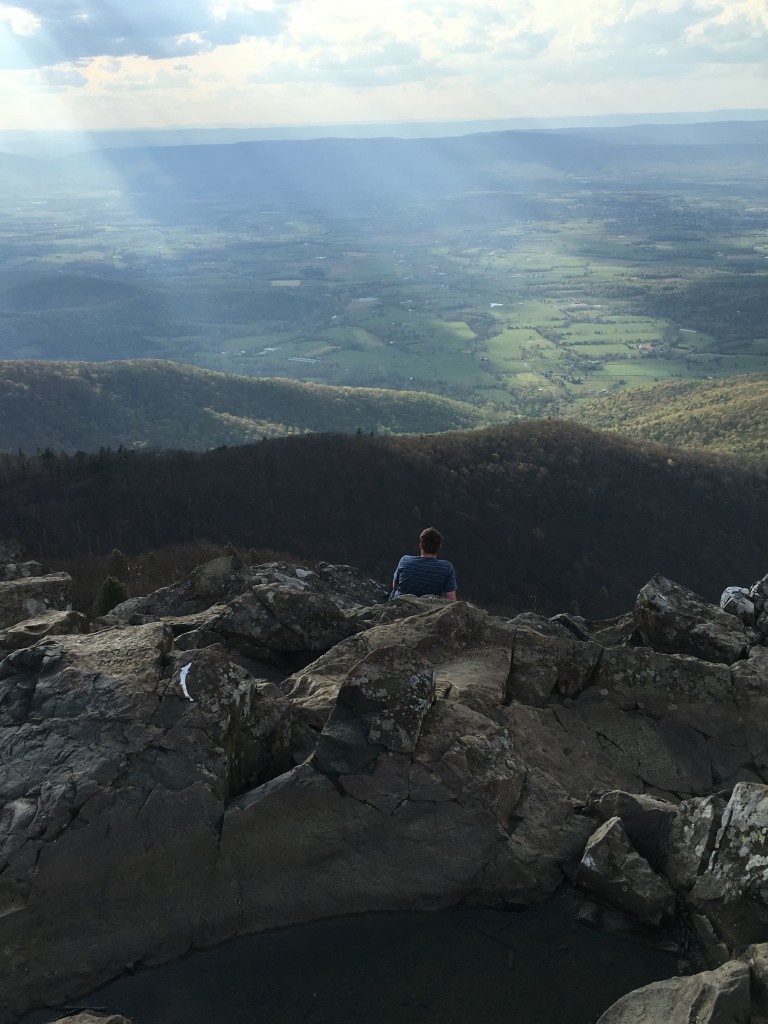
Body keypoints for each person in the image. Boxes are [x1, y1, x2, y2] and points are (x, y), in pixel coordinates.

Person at [391, 527, 457, 601]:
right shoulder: (446, 567)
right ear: (439, 547)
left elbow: (394, 586)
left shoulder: (404, 560)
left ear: (420, 546)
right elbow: (451, 599)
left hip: (402, 604)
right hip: (429, 606)